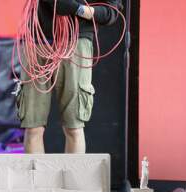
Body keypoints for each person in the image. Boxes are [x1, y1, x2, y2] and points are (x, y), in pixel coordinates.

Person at [17, 0, 122, 154]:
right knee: (33, 128)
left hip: (76, 42)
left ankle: (73, 178)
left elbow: (110, 13)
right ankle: (35, 178)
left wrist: (76, 8)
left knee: (74, 127)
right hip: (37, 39)